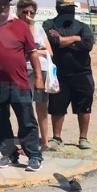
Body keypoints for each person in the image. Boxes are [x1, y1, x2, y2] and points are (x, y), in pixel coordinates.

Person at [43, 0, 93, 151]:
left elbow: (87, 45)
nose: (70, 11)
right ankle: (57, 138)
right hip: (58, 75)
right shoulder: (49, 24)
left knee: (84, 107)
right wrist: (76, 39)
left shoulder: (83, 27)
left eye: (72, 8)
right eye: (66, 8)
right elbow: (53, 42)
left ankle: (83, 138)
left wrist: (65, 40)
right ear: (58, 9)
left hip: (82, 74)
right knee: (57, 107)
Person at [0, 0, 43, 171]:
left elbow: (33, 54)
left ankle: (34, 156)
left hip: (19, 83)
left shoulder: (20, 26)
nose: (1, 8)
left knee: (27, 121)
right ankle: (9, 154)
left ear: (7, 6)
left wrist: (39, 77)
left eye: (3, 5)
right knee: (2, 121)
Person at [17, 0, 51, 150]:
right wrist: (35, 50)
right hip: (22, 70)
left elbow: (49, 51)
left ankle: (45, 142)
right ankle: (28, 142)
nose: (28, 15)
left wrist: (35, 52)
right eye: (25, 12)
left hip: (40, 69)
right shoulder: (14, 27)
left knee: (42, 106)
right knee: (25, 107)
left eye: (32, 12)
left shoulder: (38, 27)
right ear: (18, 12)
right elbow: (26, 46)